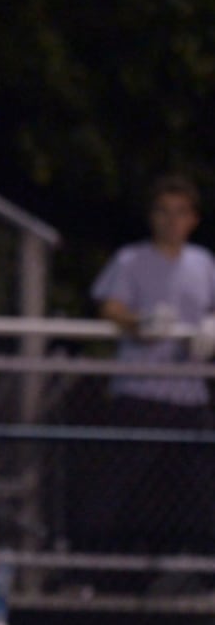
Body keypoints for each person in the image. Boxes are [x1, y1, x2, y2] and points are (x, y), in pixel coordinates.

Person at [80, 173, 215, 561]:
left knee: (198, 486)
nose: (171, 221)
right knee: (117, 483)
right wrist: (138, 324)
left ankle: (196, 564)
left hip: (189, 394)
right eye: (163, 212)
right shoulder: (131, 259)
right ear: (151, 216)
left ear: (193, 219)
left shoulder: (203, 263)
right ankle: (91, 563)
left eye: (180, 213)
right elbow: (109, 305)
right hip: (140, 391)